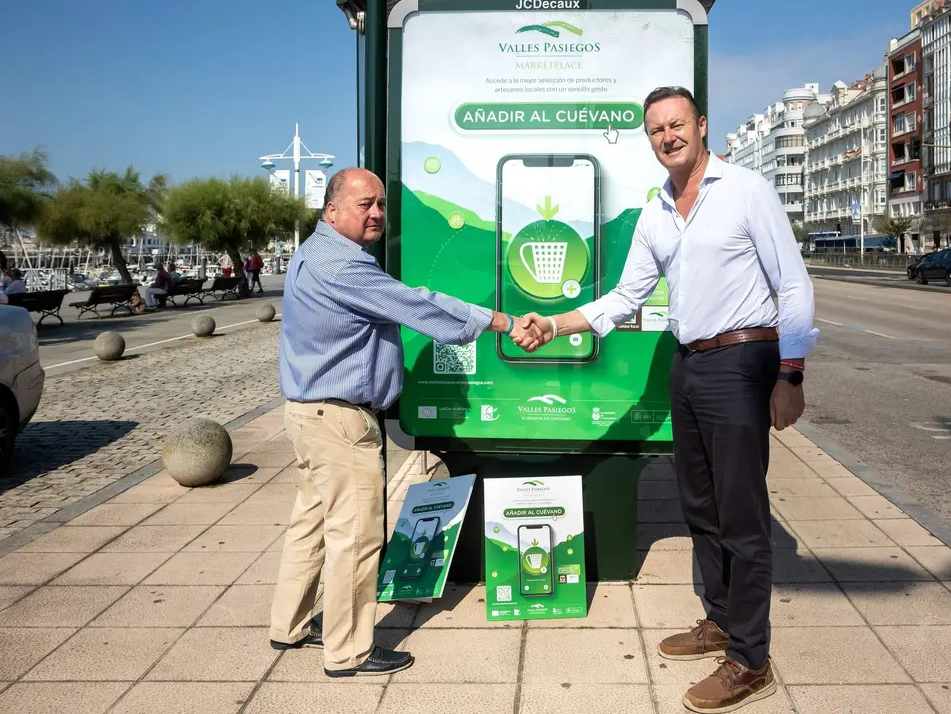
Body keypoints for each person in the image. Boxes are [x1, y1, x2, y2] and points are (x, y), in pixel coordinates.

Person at [521, 86, 818, 713]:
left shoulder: (745, 190)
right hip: (688, 366)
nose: (667, 137)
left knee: (742, 515)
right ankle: (719, 620)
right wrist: (555, 323)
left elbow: (792, 284)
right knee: (700, 507)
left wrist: (791, 373)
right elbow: (624, 297)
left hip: (743, 360)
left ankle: (750, 658)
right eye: (656, 130)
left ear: (701, 125)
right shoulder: (655, 210)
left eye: (676, 124)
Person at [272, 167, 541, 678]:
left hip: (307, 416)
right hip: (339, 422)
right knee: (355, 536)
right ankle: (347, 651)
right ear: (332, 211)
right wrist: (503, 321)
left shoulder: (311, 251)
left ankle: (290, 623)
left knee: (310, 524)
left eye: (380, 204)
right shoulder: (343, 265)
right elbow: (418, 305)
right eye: (363, 205)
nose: (376, 214)